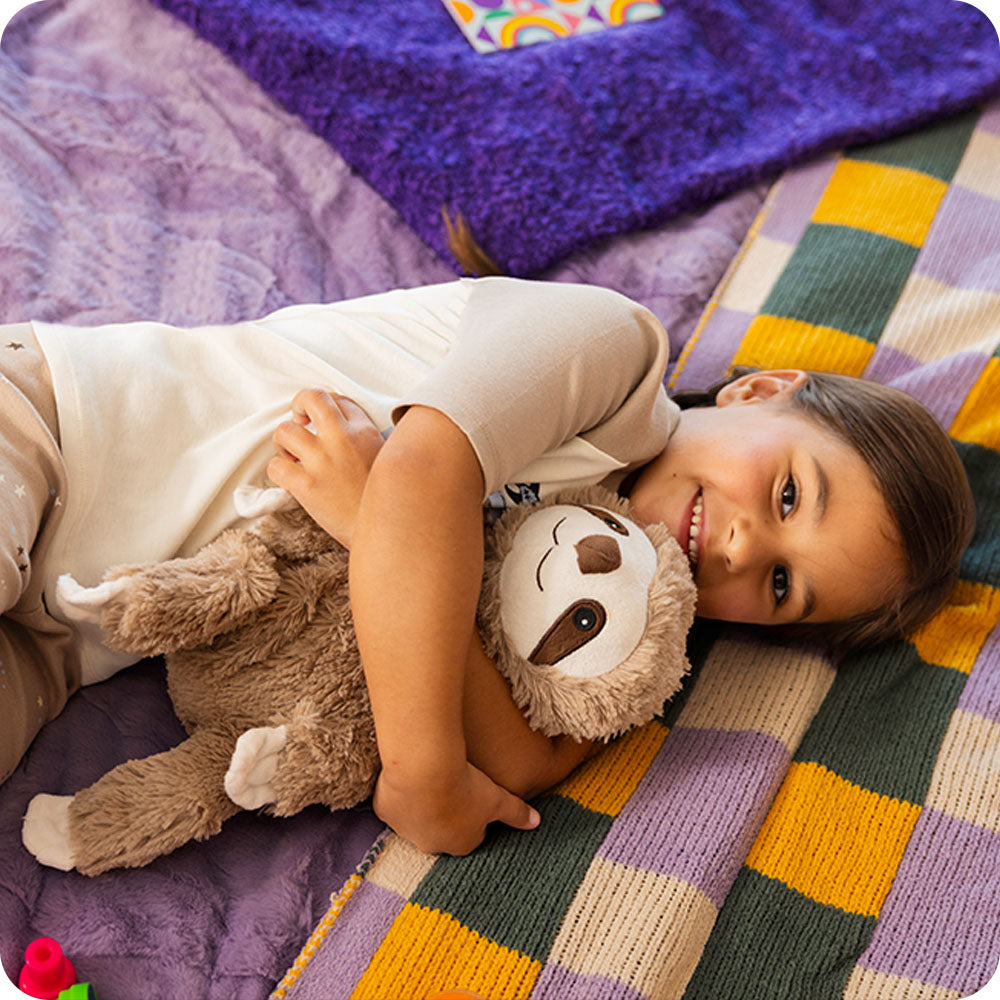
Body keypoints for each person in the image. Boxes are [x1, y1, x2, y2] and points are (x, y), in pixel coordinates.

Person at [0, 277, 975, 857]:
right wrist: (423, 770)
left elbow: (520, 761)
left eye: (781, 587)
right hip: (54, 432)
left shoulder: (616, 624)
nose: (743, 547)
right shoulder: (613, 353)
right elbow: (427, 471)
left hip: (67, 647)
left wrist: (366, 526)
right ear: (760, 391)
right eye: (791, 495)